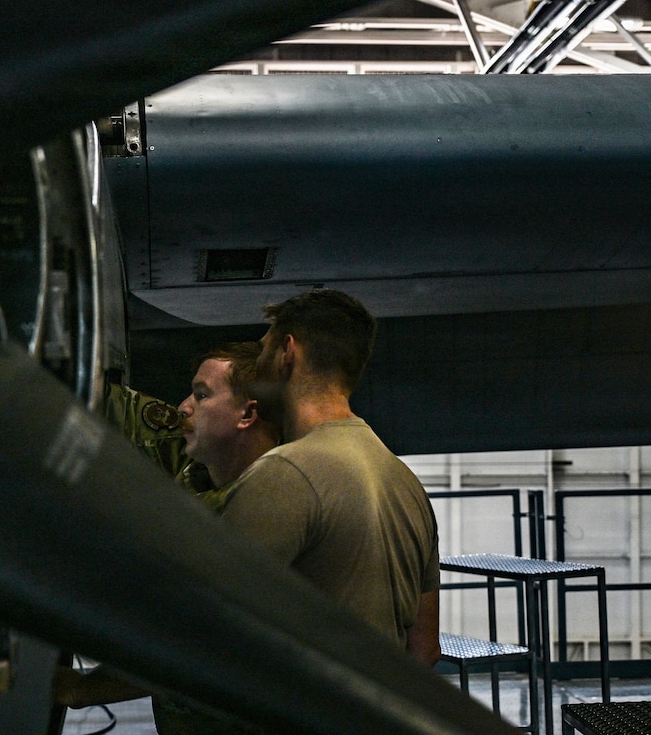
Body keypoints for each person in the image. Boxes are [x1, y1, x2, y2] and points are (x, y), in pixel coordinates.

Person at [54, 342, 279, 726]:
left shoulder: (272, 507)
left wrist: (85, 689)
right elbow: (129, 415)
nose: (184, 407)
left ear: (247, 414)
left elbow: (209, 646)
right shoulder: (193, 477)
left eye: (202, 395)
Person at [224, 288, 441, 666]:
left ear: (286, 353)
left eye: (263, 350)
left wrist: (85, 690)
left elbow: (206, 621)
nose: (255, 367)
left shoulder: (284, 474)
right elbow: (425, 650)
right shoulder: (405, 482)